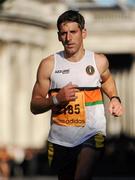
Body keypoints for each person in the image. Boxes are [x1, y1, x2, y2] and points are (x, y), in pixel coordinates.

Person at [30, 10, 123, 180]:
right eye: (64, 33)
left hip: (92, 132)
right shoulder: (48, 65)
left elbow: (107, 80)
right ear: (59, 36)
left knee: (82, 176)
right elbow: (34, 106)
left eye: (73, 32)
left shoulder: (98, 61)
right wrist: (57, 99)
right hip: (61, 138)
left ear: (83, 33)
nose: (68, 38)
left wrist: (114, 98)